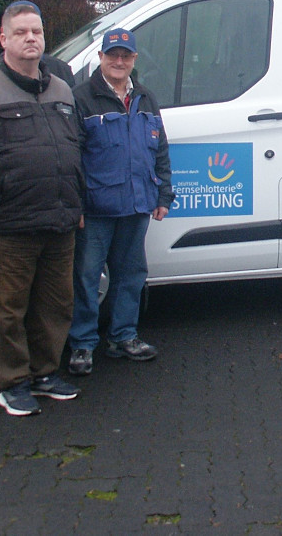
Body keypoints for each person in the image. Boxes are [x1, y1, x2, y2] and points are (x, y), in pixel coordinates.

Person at [0, 1, 84, 417]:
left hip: (59, 222)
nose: (31, 39)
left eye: (37, 32)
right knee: (6, 309)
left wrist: (75, 204)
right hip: (8, 226)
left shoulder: (62, 91)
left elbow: (74, 151)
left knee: (55, 305)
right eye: (22, 32)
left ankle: (45, 373)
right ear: (3, 39)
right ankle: (13, 381)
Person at [67, 29, 173, 376]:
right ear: (100, 57)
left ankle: (123, 336)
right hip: (96, 209)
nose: (119, 61)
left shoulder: (146, 98)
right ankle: (82, 344)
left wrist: (162, 193)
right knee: (85, 277)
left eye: (126, 56)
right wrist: (76, 206)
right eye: (112, 55)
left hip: (137, 204)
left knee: (131, 275)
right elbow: (70, 157)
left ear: (134, 60)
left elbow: (160, 150)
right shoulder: (81, 98)